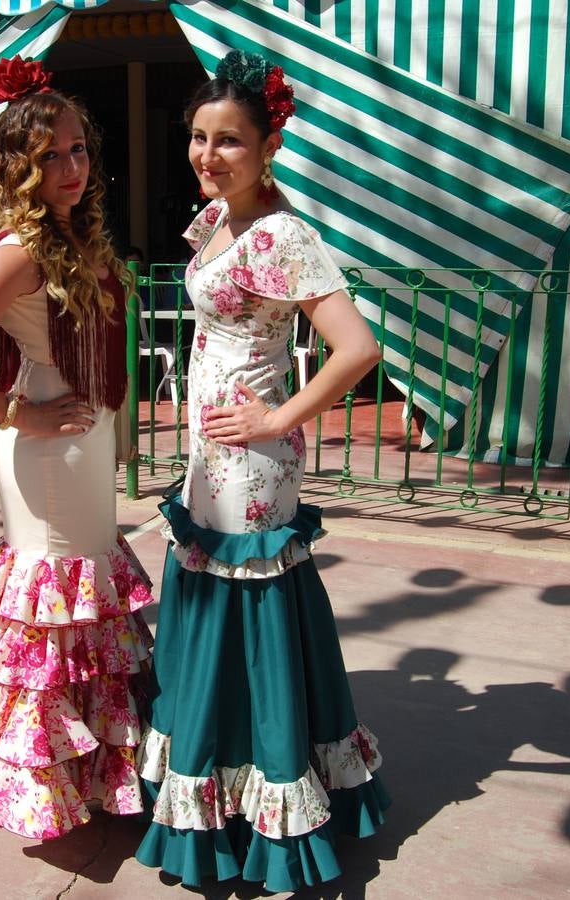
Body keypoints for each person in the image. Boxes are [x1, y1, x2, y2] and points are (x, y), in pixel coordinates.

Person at [134, 50, 390, 892]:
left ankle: (262, 793)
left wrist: (277, 417)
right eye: (200, 139)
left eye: (231, 142)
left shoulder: (284, 235)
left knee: (245, 614)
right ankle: (222, 779)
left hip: (253, 462)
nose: (210, 156)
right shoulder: (217, 220)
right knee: (214, 606)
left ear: (269, 145)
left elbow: (357, 349)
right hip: (213, 453)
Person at [0, 56, 154, 840]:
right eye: (50, 155)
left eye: (79, 149)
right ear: (19, 165)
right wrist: (20, 416)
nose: (72, 167)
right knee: (51, 609)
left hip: (77, 446)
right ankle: (43, 784)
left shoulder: (79, 235)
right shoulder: (19, 248)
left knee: (78, 602)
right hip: (46, 449)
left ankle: (79, 772)